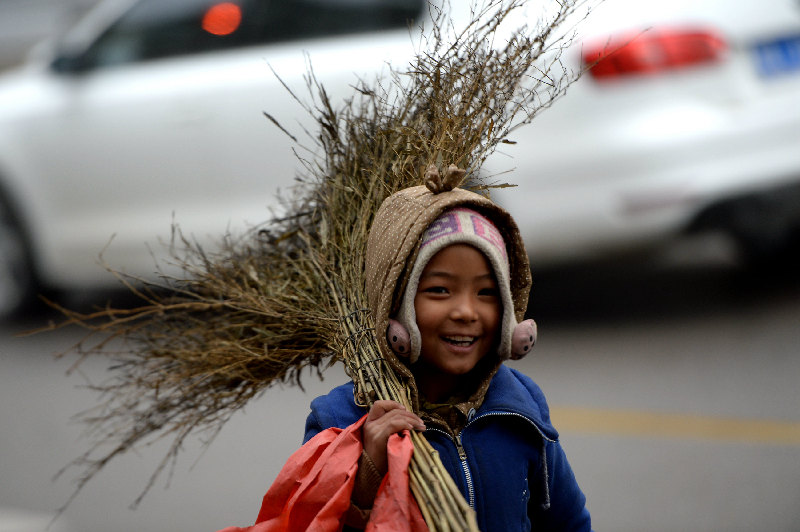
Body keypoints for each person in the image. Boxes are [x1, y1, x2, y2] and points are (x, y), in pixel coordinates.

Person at [304, 180, 593, 531]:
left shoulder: (520, 406)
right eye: (440, 290)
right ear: (393, 307)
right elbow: (313, 522)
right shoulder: (341, 421)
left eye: (487, 292)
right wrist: (367, 471)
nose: (466, 312)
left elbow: (568, 522)